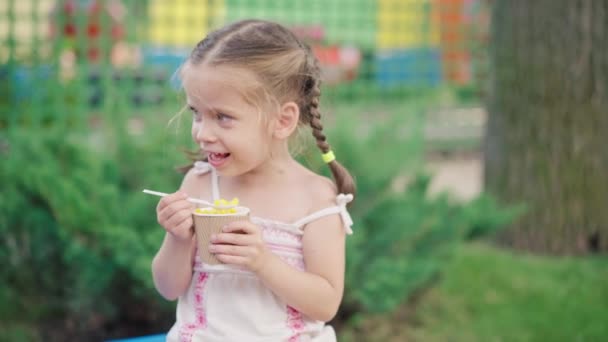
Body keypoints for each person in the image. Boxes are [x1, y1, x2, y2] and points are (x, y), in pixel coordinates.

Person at [151, 19, 356, 342]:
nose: (202, 133)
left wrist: (262, 261)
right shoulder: (201, 184)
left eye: (223, 117)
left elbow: (325, 304)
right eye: (196, 113)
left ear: (283, 120)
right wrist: (176, 238)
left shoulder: (314, 197)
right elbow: (168, 288)